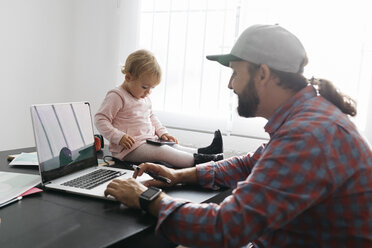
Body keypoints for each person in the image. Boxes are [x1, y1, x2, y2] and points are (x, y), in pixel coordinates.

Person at [104, 25, 372, 247]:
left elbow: (226, 228)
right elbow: (252, 163)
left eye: (236, 73)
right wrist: (178, 175)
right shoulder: (308, 117)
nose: (230, 84)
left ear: (263, 74)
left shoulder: (309, 134)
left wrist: (146, 198)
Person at [94, 49, 223, 168]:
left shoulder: (143, 97)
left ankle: (207, 152)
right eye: (145, 87)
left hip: (148, 141)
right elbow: (101, 119)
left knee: (173, 146)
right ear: (128, 77)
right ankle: (203, 162)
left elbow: (151, 117)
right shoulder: (117, 96)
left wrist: (162, 133)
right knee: (163, 152)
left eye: (152, 88)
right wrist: (118, 137)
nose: (148, 92)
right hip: (128, 149)